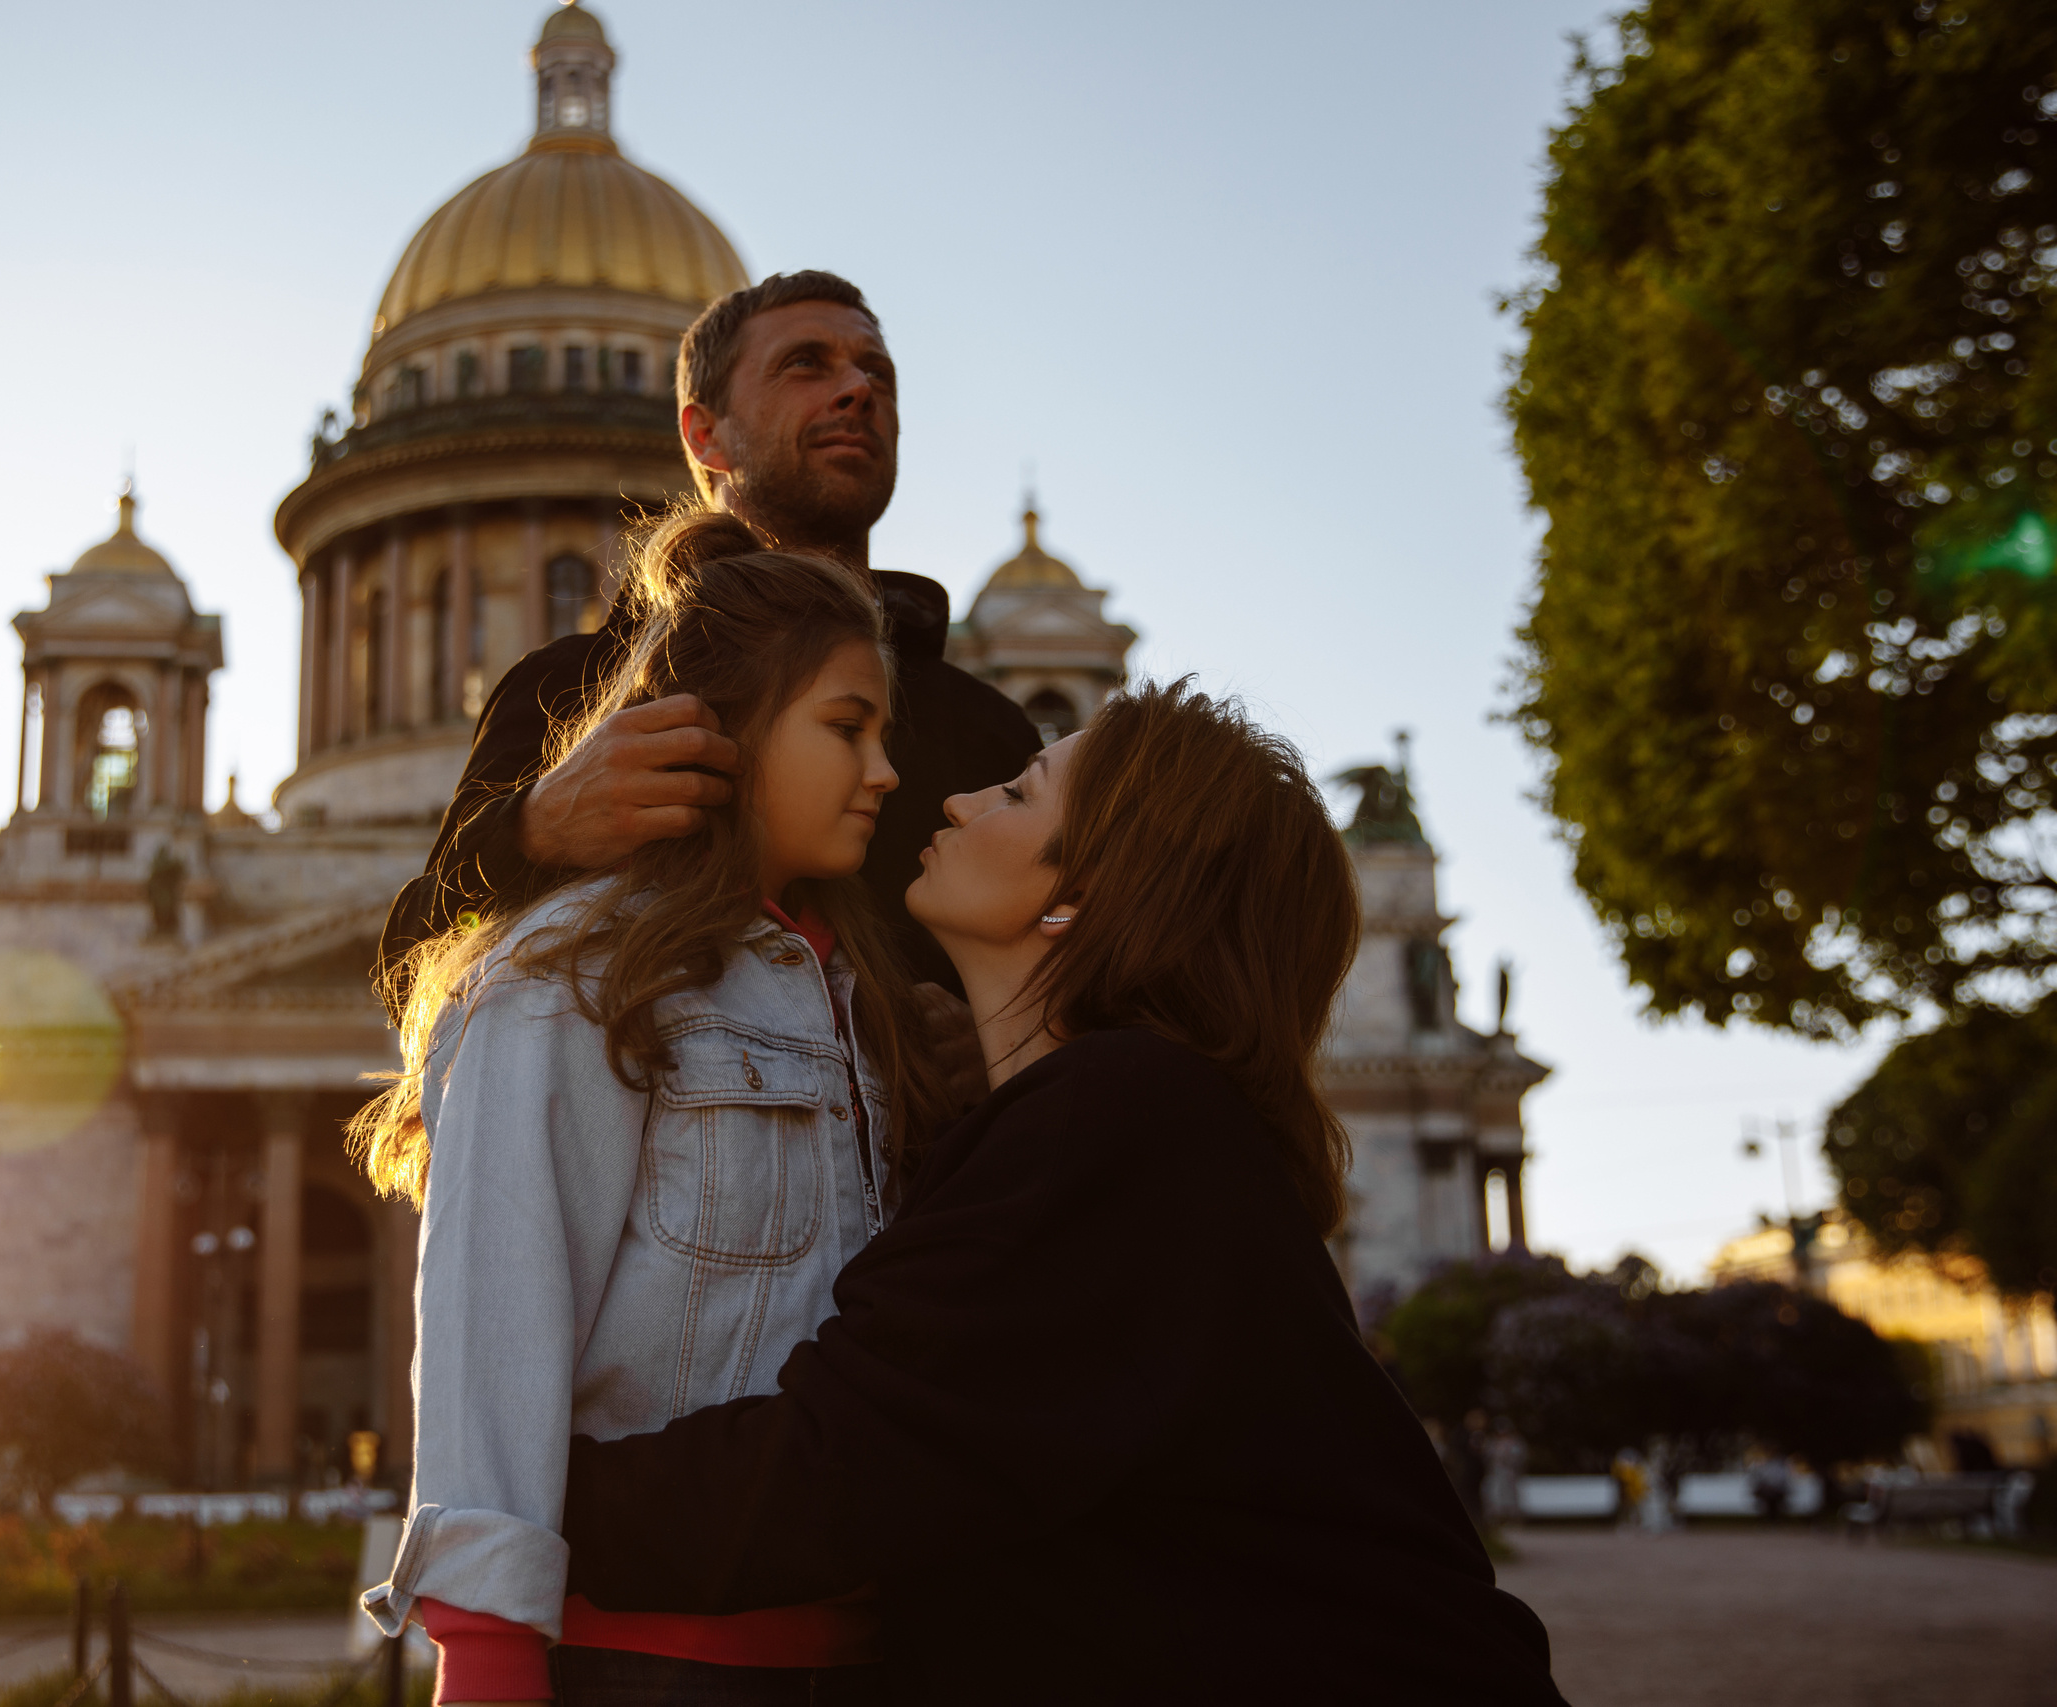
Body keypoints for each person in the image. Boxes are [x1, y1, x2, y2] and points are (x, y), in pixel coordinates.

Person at [558, 682, 1570, 1704]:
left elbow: (834, 1471)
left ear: (1079, 897)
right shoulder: (1130, 1120)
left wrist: (516, 1494)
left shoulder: (1121, 1117)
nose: (956, 801)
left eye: (1018, 793)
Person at [353, 511, 945, 1705]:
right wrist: (488, 1654)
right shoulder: (568, 972)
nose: (886, 774)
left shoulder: (854, 989)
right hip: (649, 1662)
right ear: (716, 733)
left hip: (855, 1648)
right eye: (847, 728)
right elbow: (496, 1320)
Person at [379, 270, 1038, 1002]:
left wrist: (990, 1044)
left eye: (876, 371)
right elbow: (412, 972)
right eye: (805, 364)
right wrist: (535, 832)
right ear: (705, 434)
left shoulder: (986, 732)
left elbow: (1081, 968)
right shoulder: (570, 693)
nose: (858, 389)